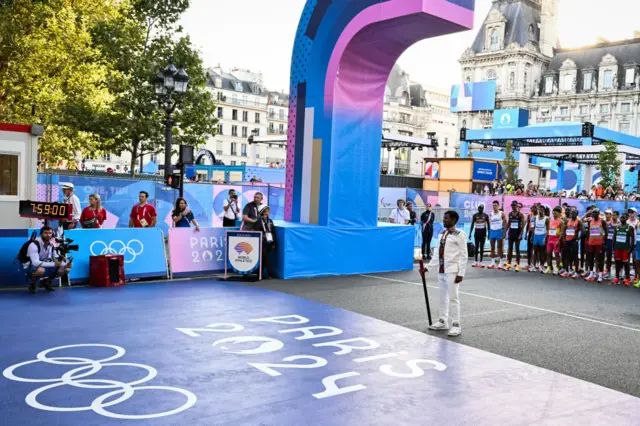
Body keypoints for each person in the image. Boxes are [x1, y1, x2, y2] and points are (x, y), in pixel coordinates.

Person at [428, 210, 467, 337]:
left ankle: (456, 324)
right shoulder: (441, 234)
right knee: (442, 297)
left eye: (446, 218)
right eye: (444, 218)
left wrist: (461, 273)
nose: (444, 220)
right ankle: (442, 321)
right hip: (441, 270)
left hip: (452, 271)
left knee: (453, 298)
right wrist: (428, 267)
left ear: (454, 220)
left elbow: (463, 255)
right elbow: (436, 253)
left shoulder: (460, 234)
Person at [21, 226, 73, 294]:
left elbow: (56, 258)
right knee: (40, 270)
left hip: (44, 266)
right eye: (46, 233)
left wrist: (66, 264)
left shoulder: (51, 245)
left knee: (66, 270)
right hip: (28, 266)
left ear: (52, 234)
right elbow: (35, 263)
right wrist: (54, 264)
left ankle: (46, 282)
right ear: (41, 234)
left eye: (50, 233)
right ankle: (32, 284)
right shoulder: (33, 245)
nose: (48, 235)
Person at [585, 209, 607, 283]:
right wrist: (588, 240)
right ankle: (591, 273)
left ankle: (600, 275)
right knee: (590, 259)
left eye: (595, 212)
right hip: (591, 243)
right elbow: (588, 232)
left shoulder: (602, 221)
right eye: (593, 212)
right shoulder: (590, 221)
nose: (594, 214)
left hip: (599, 243)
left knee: (599, 259)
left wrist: (604, 242)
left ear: (598, 213)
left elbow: (606, 232)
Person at [612, 213, 635, 286]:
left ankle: (627, 279)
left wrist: (630, 249)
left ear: (626, 218)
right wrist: (613, 247)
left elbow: (633, 238)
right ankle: (617, 277)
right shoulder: (617, 227)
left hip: (625, 249)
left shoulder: (630, 227)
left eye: (624, 218)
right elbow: (614, 238)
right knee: (617, 263)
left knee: (626, 264)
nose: (622, 219)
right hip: (617, 248)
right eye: (621, 218)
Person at [504, 201, 525, 272]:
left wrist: (521, 234)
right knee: (510, 249)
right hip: (511, 234)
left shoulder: (520, 215)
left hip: (517, 234)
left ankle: (518, 264)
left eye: (514, 206)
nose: (513, 207)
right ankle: (509, 264)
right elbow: (508, 224)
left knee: (517, 249)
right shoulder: (510, 214)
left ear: (517, 206)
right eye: (512, 206)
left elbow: (523, 225)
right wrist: (505, 232)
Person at [561, 209, 582, 279]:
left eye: (574, 213)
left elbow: (583, 230)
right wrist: (564, 239)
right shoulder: (567, 221)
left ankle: (576, 272)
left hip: (574, 241)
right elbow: (564, 230)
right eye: (571, 213)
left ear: (576, 214)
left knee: (575, 257)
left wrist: (578, 238)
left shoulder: (578, 221)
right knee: (567, 256)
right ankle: (567, 271)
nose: (572, 214)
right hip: (567, 241)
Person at [258, 205, 277, 279]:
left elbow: (273, 232)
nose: (268, 212)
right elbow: (257, 231)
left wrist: (274, 242)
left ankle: (260, 273)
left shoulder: (270, 221)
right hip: (262, 242)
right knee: (265, 258)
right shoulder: (259, 221)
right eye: (266, 211)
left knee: (264, 258)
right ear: (263, 212)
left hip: (269, 242)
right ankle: (270, 273)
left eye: (268, 211)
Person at [544, 207, 564, 275]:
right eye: (553, 213)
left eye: (555, 213)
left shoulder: (561, 222)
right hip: (550, 239)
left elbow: (562, 232)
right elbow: (548, 230)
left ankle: (557, 268)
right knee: (548, 254)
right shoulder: (550, 221)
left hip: (556, 240)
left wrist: (559, 240)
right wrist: (545, 237)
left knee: (556, 255)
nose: (554, 214)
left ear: (558, 213)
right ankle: (549, 268)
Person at [487, 201, 507, 270]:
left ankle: (500, 263)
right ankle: (492, 263)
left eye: (495, 205)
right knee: (492, 248)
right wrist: (489, 232)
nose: (494, 207)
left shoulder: (501, 213)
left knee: (499, 248)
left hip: (499, 231)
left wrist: (504, 232)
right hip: (492, 231)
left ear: (498, 206)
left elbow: (505, 223)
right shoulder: (491, 214)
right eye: (493, 205)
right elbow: (490, 224)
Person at [531, 206, 548, 272]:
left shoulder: (546, 219)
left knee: (542, 252)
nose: (540, 211)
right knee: (535, 251)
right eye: (539, 210)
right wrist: (532, 236)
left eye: (541, 210)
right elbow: (533, 228)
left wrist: (545, 237)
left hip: (542, 236)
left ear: (544, 211)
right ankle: (534, 266)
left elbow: (548, 229)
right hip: (536, 236)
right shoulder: (535, 218)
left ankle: (542, 265)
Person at [524, 204, 538, 271]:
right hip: (530, 233)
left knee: (534, 249)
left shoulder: (538, 216)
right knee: (529, 248)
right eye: (532, 207)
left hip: (537, 233)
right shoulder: (529, 215)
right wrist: (526, 234)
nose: (533, 209)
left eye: (535, 207)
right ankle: (529, 263)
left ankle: (534, 264)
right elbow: (528, 225)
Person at [604, 210, 617, 280]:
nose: (613, 216)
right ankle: (608, 272)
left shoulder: (618, 224)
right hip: (609, 242)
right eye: (612, 215)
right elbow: (606, 233)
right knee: (608, 258)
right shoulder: (608, 223)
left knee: (616, 259)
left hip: (615, 243)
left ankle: (617, 274)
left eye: (614, 215)